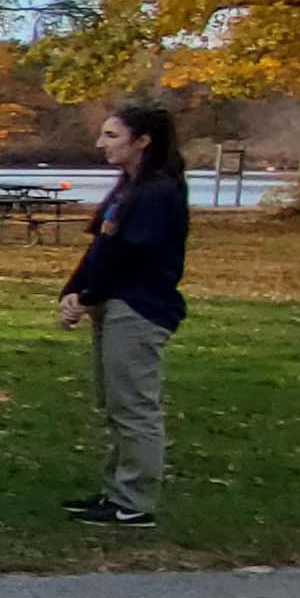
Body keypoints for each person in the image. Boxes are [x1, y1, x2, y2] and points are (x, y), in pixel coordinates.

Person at [60, 98, 188, 525]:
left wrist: (90, 296)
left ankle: (134, 504)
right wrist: (74, 290)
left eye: (112, 135)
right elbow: (103, 247)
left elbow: (133, 256)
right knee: (116, 403)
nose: (101, 143)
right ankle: (116, 493)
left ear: (143, 142)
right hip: (113, 303)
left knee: (135, 406)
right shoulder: (128, 189)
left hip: (139, 308)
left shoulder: (159, 193)